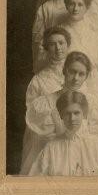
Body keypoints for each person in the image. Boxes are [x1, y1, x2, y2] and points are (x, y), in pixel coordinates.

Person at [24, 51, 98, 176]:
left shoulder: (93, 102)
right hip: (57, 152)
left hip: (87, 152)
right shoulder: (48, 101)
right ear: (64, 71)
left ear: (86, 76)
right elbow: (38, 132)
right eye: (72, 72)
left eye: (81, 74)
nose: (76, 78)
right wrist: (57, 131)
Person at [20, 26, 71, 175]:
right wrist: (58, 129)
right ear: (46, 48)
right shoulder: (38, 81)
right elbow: (33, 114)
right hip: (50, 135)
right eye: (52, 44)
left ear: (67, 44)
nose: (58, 48)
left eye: (61, 43)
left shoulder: (76, 72)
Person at [28, 91, 98, 177]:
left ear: (84, 114)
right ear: (61, 116)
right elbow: (35, 181)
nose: (72, 118)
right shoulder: (51, 149)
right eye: (67, 113)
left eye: (76, 113)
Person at [32, 0, 76, 71]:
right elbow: (38, 41)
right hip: (53, 61)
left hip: (76, 61)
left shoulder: (80, 4)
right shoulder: (45, 8)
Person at [62, 0, 98, 87]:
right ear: (66, 6)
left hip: (92, 82)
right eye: (72, 4)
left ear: (86, 8)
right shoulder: (60, 33)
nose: (76, 8)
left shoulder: (95, 34)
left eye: (80, 5)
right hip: (68, 81)